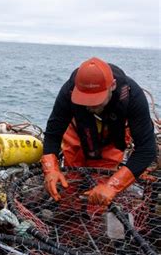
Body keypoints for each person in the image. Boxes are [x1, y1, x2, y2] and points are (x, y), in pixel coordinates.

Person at [41, 57, 156, 207]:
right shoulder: (68, 90)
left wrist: (112, 186)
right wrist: (51, 169)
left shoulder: (132, 95)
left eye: (95, 101)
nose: (89, 107)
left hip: (110, 142)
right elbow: (52, 134)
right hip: (77, 137)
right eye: (84, 100)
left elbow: (146, 150)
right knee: (69, 190)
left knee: (98, 199)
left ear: (112, 86)